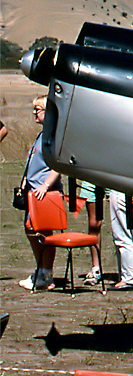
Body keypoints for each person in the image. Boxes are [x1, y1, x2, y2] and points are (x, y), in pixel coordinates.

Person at [19, 97, 61, 290]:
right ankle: (42, 270)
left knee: (43, 233)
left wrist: (45, 185)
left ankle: (45, 274)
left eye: (38, 109)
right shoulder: (41, 136)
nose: (35, 113)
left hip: (44, 193)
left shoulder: (53, 135)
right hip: (32, 192)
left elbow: (57, 165)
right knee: (30, 229)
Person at [108, 190, 133, 290]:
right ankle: (125, 276)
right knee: (121, 235)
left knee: (122, 236)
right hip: (121, 191)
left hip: (121, 191)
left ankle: (129, 278)